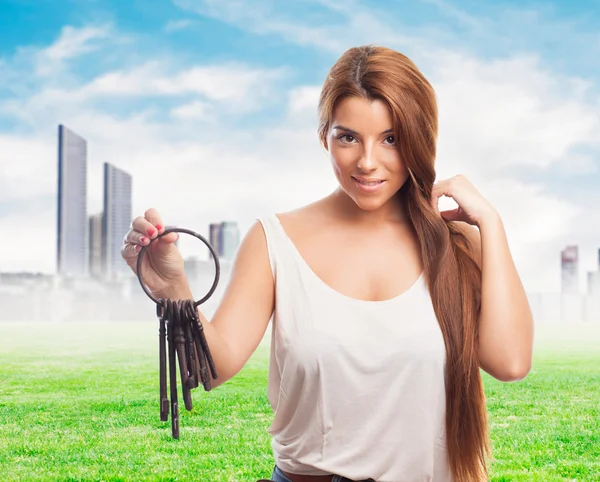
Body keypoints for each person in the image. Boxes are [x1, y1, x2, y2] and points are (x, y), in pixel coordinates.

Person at [121, 45, 534, 482]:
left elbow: (510, 362)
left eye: (391, 138)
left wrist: (491, 223)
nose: (368, 161)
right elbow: (213, 368)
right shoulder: (274, 240)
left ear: (419, 138)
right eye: (348, 137)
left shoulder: (458, 243)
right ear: (325, 136)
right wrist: (173, 288)